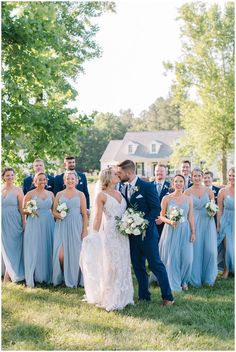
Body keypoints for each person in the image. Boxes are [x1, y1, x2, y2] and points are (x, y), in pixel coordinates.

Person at [117, 160, 174, 306]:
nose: (119, 175)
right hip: (131, 235)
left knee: (155, 265)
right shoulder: (123, 187)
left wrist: (143, 224)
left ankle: (168, 297)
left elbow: (155, 209)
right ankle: (144, 296)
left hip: (147, 235)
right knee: (138, 266)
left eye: (120, 172)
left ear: (128, 172)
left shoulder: (147, 186)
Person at [80, 167, 134, 311]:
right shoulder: (101, 195)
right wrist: (94, 235)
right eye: (115, 174)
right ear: (108, 177)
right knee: (112, 263)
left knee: (123, 262)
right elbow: (97, 217)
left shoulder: (120, 193)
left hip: (123, 233)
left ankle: (125, 296)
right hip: (110, 233)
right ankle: (111, 297)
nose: (118, 175)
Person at [159, 174, 195, 292]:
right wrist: (170, 221)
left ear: (184, 183)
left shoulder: (188, 198)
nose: (179, 183)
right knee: (172, 257)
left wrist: (193, 232)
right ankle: (174, 281)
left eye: (181, 181)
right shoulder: (167, 198)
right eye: (176, 181)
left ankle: (184, 280)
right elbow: (162, 217)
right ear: (173, 184)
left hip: (185, 230)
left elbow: (190, 216)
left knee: (187, 258)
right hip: (171, 230)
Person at [52, 170, 88, 288]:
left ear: (76, 181)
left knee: (75, 253)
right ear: (64, 180)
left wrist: (84, 230)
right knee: (61, 254)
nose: (70, 180)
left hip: (76, 226)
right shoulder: (59, 194)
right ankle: (63, 277)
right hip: (61, 226)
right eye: (68, 178)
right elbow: (54, 211)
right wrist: (59, 215)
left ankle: (74, 279)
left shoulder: (81, 194)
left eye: (72, 179)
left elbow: (84, 214)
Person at [185, 167, 218, 287]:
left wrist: (213, 212)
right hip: (193, 222)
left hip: (207, 222)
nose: (197, 178)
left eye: (199, 176)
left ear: (202, 177)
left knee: (211, 251)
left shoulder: (209, 191)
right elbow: (185, 210)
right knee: (196, 250)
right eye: (195, 176)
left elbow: (214, 208)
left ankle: (209, 278)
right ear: (191, 177)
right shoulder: (187, 192)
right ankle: (195, 279)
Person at [23, 172, 55, 287]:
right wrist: (30, 211)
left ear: (46, 181)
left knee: (47, 246)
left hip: (48, 223)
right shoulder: (29, 194)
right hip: (34, 223)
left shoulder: (51, 194)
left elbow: (54, 210)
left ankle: (47, 275)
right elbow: (23, 210)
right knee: (35, 247)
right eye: (39, 180)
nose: (42, 181)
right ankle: (35, 275)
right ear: (35, 181)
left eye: (44, 179)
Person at [2, 168, 25, 283]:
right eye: (7, 175)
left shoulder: (18, 190)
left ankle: (9, 274)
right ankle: (7, 272)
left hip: (14, 222)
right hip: (2, 223)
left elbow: (22, 209)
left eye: (12, 175)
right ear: (3, 177)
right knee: (5, 248)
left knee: (14, 247)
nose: (10, 177)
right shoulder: (0, 189)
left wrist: (24, 223)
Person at [217, 167, 235, 278]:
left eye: (234, 175)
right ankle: (226, 270)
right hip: (226, 221)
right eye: (230, 175)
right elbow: (219, 210)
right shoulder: (222, 191)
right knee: (227, 247)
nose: (232, 177)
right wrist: (218, 225)